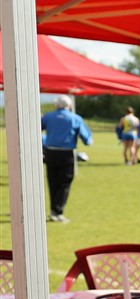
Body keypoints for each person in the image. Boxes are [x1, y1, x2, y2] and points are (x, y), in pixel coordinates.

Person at [40, 95, 92, 223]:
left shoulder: (48, 116)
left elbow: (36, 129)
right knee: (64, 183)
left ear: (56, 105)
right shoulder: (75, 118)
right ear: (69, 106)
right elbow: (86, 139)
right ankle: (57, 211)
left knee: (52, 182)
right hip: (66, 153)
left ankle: (54, 210)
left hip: (50, 152)